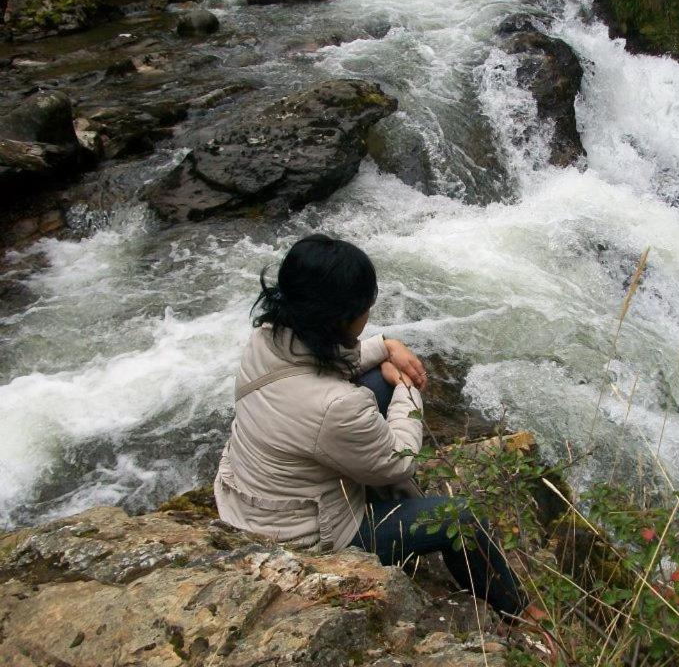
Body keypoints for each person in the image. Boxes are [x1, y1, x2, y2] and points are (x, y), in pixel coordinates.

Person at [213, 233, 527, 617]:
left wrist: (386, 346)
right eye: (366, 307)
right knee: (458, 519)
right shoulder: (336, 406)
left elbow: (323, 361)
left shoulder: (267, 337)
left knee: (376, 379)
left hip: (250, 500)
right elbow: (400, 461)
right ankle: (518, 611)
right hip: (305, 536)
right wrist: (407, 390)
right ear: (341, 319)